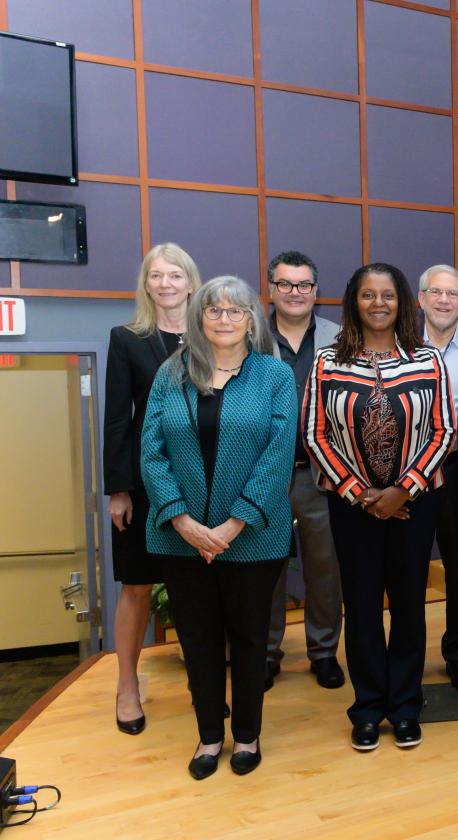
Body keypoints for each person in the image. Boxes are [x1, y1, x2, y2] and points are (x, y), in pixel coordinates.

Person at [139, 275, 297, 779]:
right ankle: (209, 736)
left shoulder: (274, 375)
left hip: (254, 538)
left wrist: (230, 527)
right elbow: (151, 452)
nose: (224, 319)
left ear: (252, 321)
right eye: (214, 311)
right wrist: (184, 522)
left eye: (235, 311)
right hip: (180, 540)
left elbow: (278, 455)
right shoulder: (171, 374)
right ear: (198, 318)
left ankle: (247, 734)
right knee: (197, 640)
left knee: (250, 639)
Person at [303, 263, 454, 751]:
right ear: (353, 302)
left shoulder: (427, 360)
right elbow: (314, 434)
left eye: (387, 295)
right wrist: (360, 494)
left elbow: (444, 431)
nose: (378, 303)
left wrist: (402, 491)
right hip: (354, 509)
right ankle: (368, 708)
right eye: (368, 295)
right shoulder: (327, 361)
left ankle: (406, 706)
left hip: (414, 505)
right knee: (363, 609)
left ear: (402, 301)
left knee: (410, 607)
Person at [104, 242, 200, 735]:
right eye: (156, 276)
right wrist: (118, 489)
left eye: (174, 275)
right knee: (137, 586)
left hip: (204, 480)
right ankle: (126, 684)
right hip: (145, 484)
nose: (165, 284)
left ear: (190, 281)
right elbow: (118, 417)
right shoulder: (127, 339)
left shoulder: (214, 334)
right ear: (146, 284)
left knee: (198, 589)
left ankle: (203, 686)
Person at [263, 250, 344, 692]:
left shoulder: (341, 336)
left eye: (304, 285)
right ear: (271, 290)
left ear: (316, 291)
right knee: (266, 568)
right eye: (285, 284)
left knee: (324, 568)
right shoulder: (249, 336)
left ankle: (324, 651)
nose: (295, 293)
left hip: (323, 475)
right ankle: (267, 652)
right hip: (265, 475)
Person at [418, 264, 458, 692]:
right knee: (407, 569)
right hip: (409, 478)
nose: (444, 301)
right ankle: (407, 656)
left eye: (453, 295)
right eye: (435, 293)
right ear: (421, 298)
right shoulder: (399, 349)